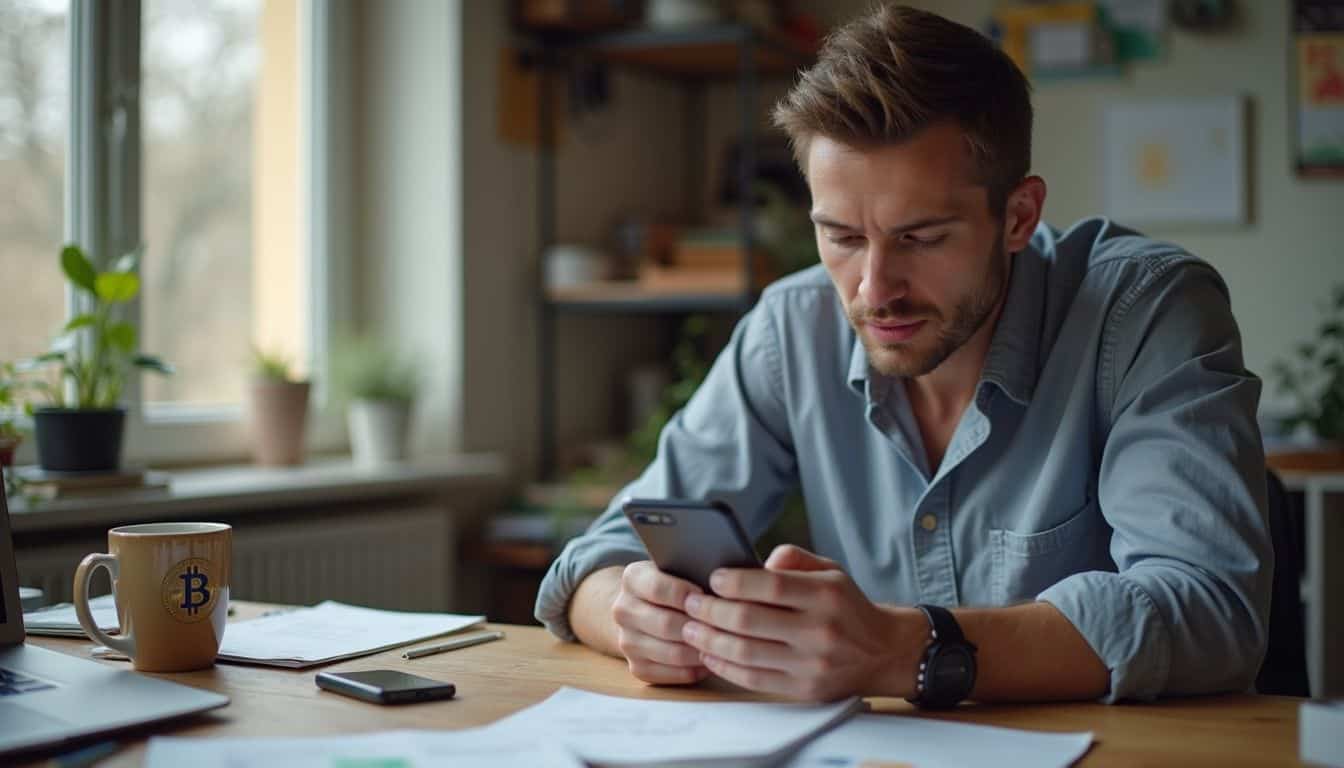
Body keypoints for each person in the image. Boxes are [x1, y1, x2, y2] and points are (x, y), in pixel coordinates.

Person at [535, 3, 1271, 706]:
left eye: (920, 237)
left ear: (1017, 216)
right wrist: (634, 612)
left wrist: (901, 649)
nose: (874, 289)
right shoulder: (790, 329)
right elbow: (597, 561)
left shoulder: (1146, 311)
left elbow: (1209, 612)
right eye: (843, 237)